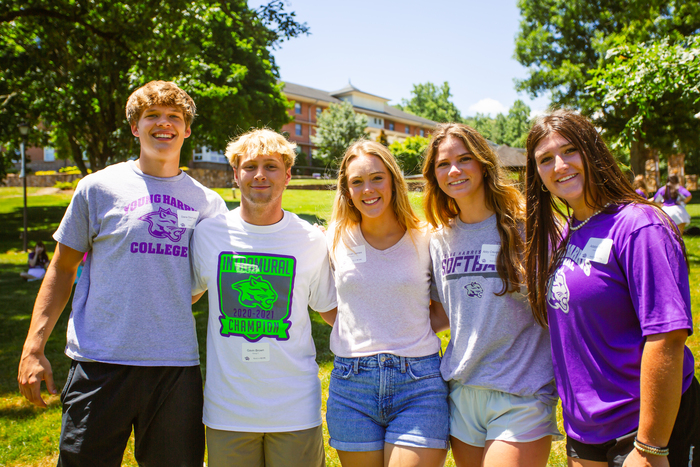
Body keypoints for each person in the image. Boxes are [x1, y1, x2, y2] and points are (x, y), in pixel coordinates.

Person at [17, 80, 227, 466]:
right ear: (135, 127)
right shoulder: (97, 188)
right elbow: (62, 269)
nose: (164, 124)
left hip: (175, 366)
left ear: (187, 128)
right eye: (152, 116)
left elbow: (208, 277)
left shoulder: (208, 203)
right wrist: (33, 347)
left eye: (174, 117)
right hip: (99, 361)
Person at [525, 109, 699, 467]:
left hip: (644, 428)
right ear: (538, 175)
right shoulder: (570, 231)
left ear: (593, 151)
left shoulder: (639, 225)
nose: (560, 165)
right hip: (586, 431)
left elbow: (667, 336)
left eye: (570, 150)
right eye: (545, 159)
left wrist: (650, 447)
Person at [190, 128, 337, 467]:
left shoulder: (310, 241)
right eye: (250, 166)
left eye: (271, 166)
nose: (259, 175)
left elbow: (333, 312)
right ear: (235, 175)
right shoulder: (208, 235)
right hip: (228, 409)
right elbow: (184, 298)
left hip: (295, 408)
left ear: (287, 175)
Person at [422, 123, 559, 467]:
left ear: (483, 163)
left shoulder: (530, 226)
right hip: (463, 389)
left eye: (464, 159)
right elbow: (441, 314)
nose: (454, 170)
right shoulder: (439, 239)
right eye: (443, 164)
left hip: (521, 390)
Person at [322, 140, 449, 467]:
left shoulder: (427, 236)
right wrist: (364, 323)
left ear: (393, 180)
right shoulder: (334, 238)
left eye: (377, 178)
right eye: (357, 182)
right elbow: (326, 304)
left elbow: (445, 307)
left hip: (418, 384)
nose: (368, 189)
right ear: (346, 190)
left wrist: (405, 326)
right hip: (352, 386)